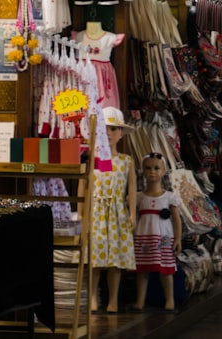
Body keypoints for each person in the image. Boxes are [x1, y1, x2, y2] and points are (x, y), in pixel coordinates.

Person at [87, 107, 137, 313]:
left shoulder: (126, 161)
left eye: (114, 129)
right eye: (105, 128)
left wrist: (132, 212)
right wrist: (82, 214)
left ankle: (113, 300)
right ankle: (92, 298)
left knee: (115, 261)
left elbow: (132, 187)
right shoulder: (93, 158)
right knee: (95, 258)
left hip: (117, 213)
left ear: (121, 133)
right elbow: (85, 186)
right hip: (97, 213)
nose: (109, 133)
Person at [133, 153, 182, 311]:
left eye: (156, 168)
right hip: (143, 236)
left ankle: (170, 299)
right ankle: (140, 300)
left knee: (166, 269)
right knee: (142, 270)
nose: (152, 172)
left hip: (164, 237)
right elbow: (133, 217)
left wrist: (178, 239)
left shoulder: (170, 197)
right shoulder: (138, 197)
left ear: (163, 171)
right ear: (142, 170)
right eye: (148, 168)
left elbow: (176, 220)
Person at [74, 22, 124, 110]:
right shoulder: (79, 36)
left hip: (101, 76)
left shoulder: (110, 38)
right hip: (81, 74)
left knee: (103, 104)